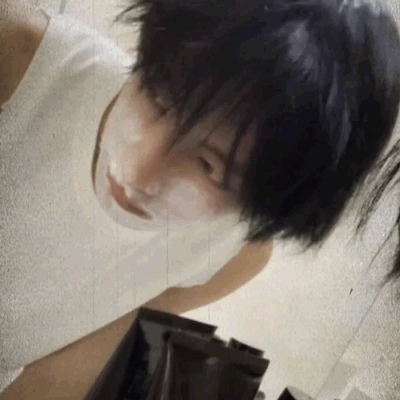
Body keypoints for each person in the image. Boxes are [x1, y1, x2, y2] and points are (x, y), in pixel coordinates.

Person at [1, 0, 399, 398]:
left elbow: (51, 379)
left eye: (209, 165)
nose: (139, 172)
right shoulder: (18, 59)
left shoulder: (231, 256)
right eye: (157, 100)